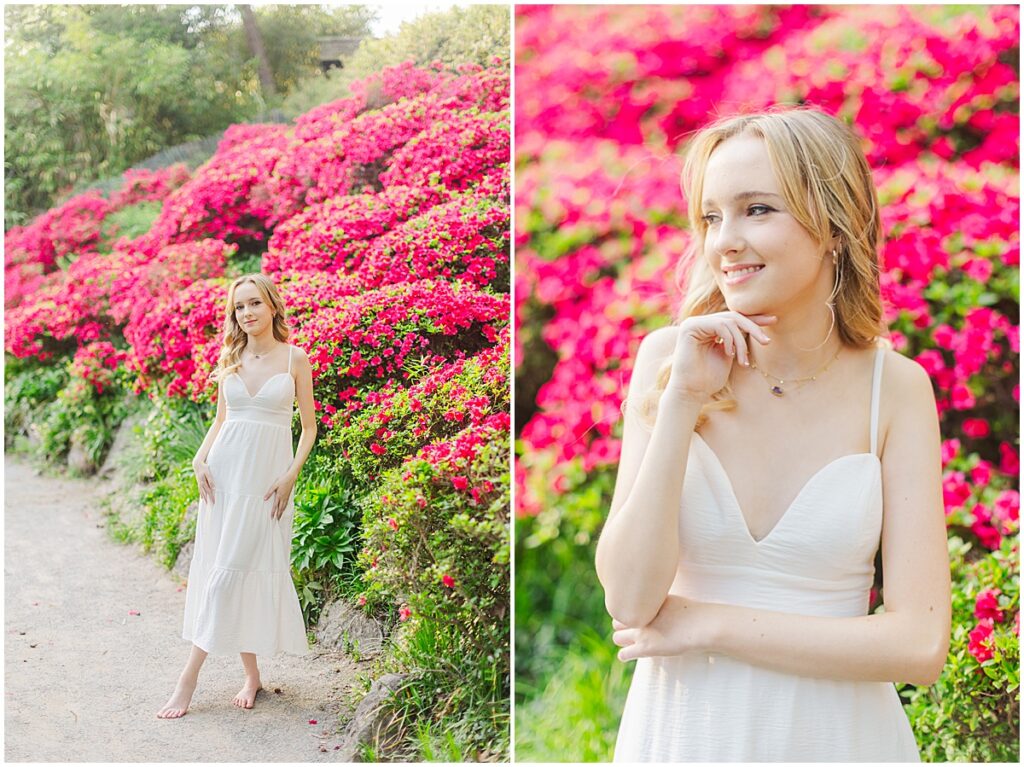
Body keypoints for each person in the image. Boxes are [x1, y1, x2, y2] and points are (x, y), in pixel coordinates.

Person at [595, 108, 951, 762]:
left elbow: (920, 644)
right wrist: (680, 403)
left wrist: (710, 623)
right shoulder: (666, 362)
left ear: (834, 227)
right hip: (684, 731)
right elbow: (629, 597)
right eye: (710, 217)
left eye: (757, 209)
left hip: (839, 738)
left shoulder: (895, 390)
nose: (724, 240)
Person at [157, 273, 317, 719]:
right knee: (227, 568)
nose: (246, 313)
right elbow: (220, 420)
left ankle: (187, 679)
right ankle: (252, 676)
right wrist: (198, 460)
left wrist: (290, 477)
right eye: (239, 307)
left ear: (272, 307)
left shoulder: (294, 360)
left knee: (234, 570)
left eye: (254, 304)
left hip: (266, 485)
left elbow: (309, 428)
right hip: (223, 480)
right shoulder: (231, 355)